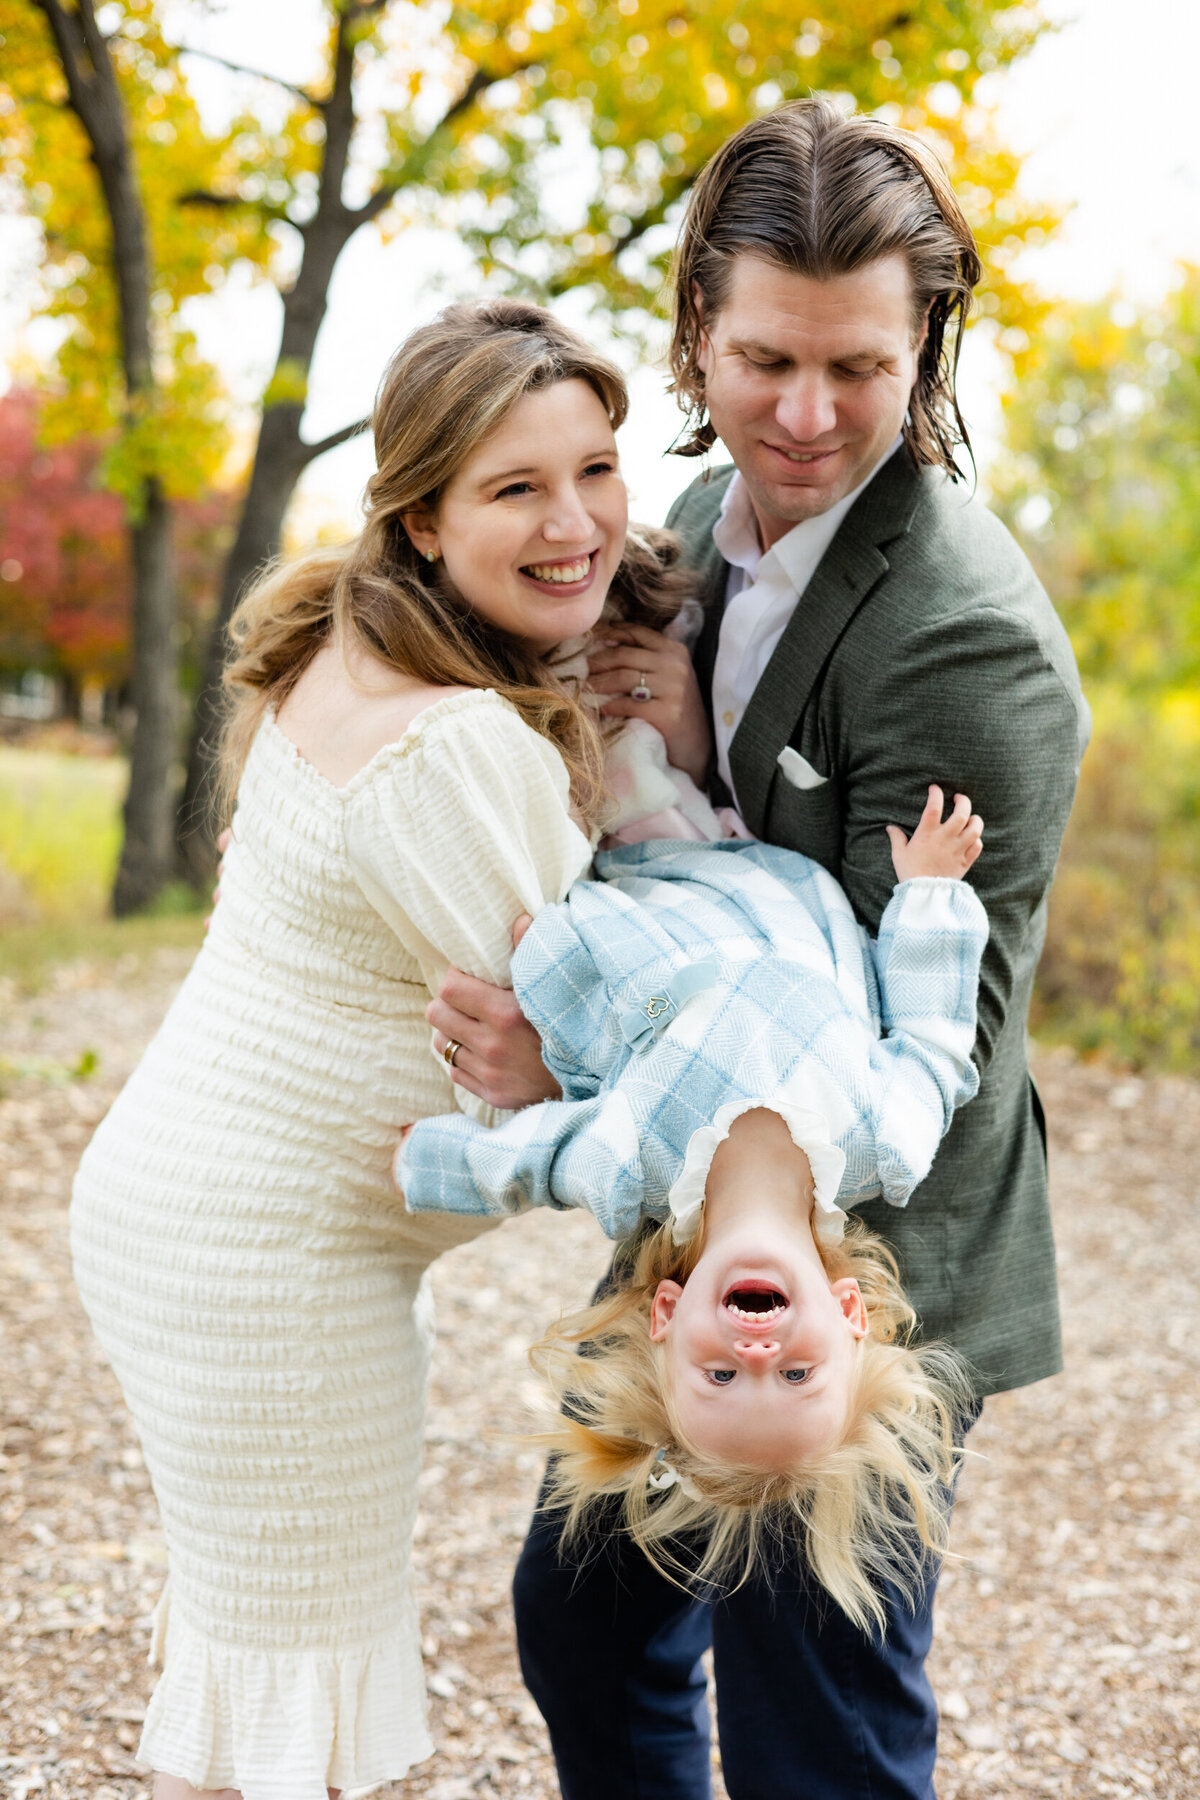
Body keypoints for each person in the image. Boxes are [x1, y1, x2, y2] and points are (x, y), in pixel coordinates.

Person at [427, 98, 1091, 1800]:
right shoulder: (693, 517)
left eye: (858, 369)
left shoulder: (970, 643)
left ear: (927, 343)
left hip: (865, 1238)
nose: (805, 418)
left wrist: (569, 1064)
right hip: (702, 1180)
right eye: (765, 360)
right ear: (695, 332)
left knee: (817, 1726)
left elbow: (919, 1020)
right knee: (585, 1628)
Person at [68, 297, 701, 1800]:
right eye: (515, 487)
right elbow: (600, 1048)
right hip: (264, 1263)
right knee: (300, 1703)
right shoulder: (451, 746)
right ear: (421, 518)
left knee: (263, 1667)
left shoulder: (360, 643)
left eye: (597, 469)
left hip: (196, 1221)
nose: (578, 523)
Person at [397, 785, 987, 1630]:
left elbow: (524, 1161)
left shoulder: (627, 1161)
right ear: (850, 1313)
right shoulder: (887, 1141)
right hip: (767, 868)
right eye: (796, 1373)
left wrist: (414, 1161)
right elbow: (935, 1048)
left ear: (667, 1315)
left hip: (633, 885)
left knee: (550, 787)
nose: (757, 1350)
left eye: (721, 1376)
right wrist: (930, 894)